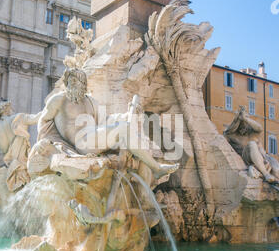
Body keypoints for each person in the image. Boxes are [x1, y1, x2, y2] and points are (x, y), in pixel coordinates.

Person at [33, 68, 179, 178]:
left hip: (94, 137)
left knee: (126, 128)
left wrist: (126, 115)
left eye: (77, 81)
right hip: (81, 143)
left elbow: (106, 121)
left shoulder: (90, 101)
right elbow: (44, 121)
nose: (73, 84)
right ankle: (157, 168)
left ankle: (152, 168)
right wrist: (47, 142)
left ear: (84, 83)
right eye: (70, 81)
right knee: (123, 130)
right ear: (66, 82)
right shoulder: (59, 100)